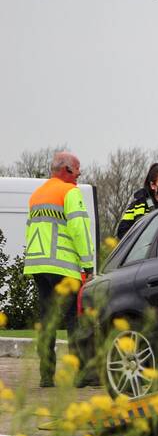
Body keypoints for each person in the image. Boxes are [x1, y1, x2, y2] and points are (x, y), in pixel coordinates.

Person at [23, 151, 97, 387]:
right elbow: (79, 230)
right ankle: (82, 374)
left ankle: (46, 376)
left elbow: (31, 229)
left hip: (37, 265)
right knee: (75, 319)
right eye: (77, 170)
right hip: (64, 266)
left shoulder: (37, 195)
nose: (79, 174)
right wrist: (87, 264)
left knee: (47, 321)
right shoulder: (70, 192)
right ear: (66, 170)